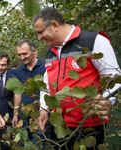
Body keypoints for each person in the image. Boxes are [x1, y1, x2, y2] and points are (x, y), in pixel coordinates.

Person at [34, 7, 121, 149]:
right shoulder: (50, 52)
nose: (39, 38)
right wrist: (44, 108)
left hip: (89, 127)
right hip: (59, 127)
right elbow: (47, 83)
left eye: (40, 32)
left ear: (55, 25)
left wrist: (106, 100)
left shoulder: (93, 41)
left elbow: (114, 77)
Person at [11, 40, 46, 141]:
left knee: (40, 144)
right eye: (19, 55)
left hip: (41, 115)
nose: (22, 57)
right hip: (24, 117)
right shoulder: (19, 70)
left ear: (34, 51)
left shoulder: (46, 66)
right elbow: (17, 93)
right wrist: (15, 114)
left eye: (25, 54)